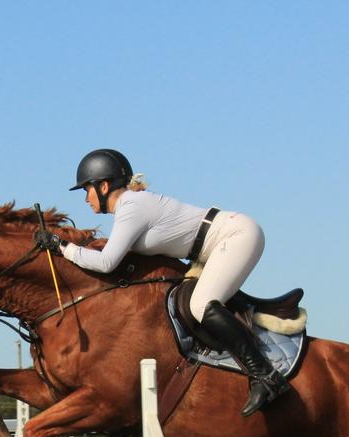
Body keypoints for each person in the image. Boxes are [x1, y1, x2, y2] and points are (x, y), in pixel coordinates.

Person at [60, 148, 291, 416]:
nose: (86, 199)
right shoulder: (130, 207)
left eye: (86, 190)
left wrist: (64, 248)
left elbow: (106, 263)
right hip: (217, 244)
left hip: (236, 235)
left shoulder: (131, 207)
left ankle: (265, 375)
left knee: (201, 304)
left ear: (103, 185)